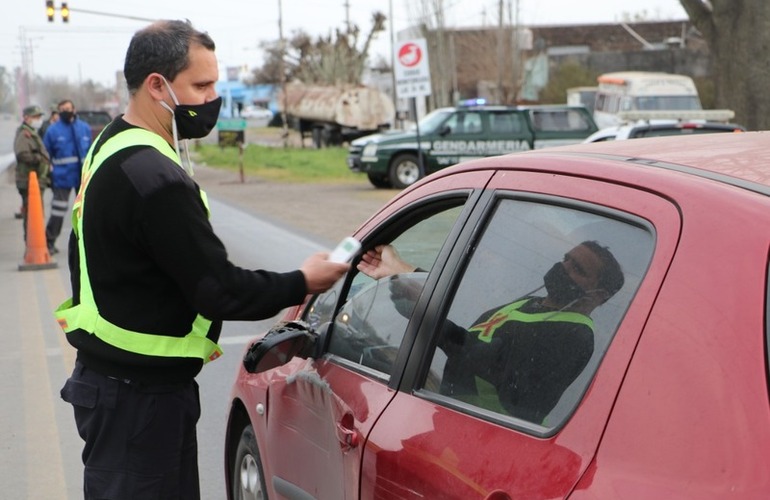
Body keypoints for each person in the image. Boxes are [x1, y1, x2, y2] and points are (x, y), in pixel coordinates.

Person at [56, 20, 349, 499]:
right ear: (157, 85)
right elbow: (220, 289)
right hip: (139, 401)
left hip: (115, 386)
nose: (213, 99)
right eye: (201, 86)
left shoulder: (113, 143)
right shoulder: (155, 177)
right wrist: (304, 280)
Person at [358, 240, 624, 423]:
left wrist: (427, 312)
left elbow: (485, 360)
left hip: (480, 430)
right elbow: (466, 307)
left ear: (598, 294)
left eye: (577, 269)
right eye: (566, 259)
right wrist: (405, 273)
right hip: (451, 413)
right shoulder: (535, 303)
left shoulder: (574, 336)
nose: (564, 267)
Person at [43, 98, 92, 255]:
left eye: (68, 108)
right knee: (58, 211)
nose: (66, 111)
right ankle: (49, 242)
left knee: (85, 212)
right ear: (59, 112)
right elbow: (45, 154)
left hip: (82, 177)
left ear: (74, 109)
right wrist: (48, 175)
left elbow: (90, 152)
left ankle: (86, 243)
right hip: (62, 177)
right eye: (63, 109)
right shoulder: (53, 131)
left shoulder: (84, 128)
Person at [13, 104, 50, 241]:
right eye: (35, 117)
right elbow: (22, 154)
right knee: (31, 214)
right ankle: (32, 241)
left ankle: (35, 240)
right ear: (26, 118)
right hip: (29, 180)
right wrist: (39, 159)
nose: (38, 120)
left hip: (36, 180)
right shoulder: (24, 134)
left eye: (39, 117)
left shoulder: (32, 132)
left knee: (35, 213)